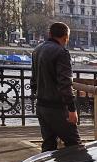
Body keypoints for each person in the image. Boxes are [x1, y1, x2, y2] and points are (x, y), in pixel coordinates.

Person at [31, 22, 81, 152]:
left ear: (50, 34)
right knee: (75, 146)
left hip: (41, 105)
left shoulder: (37, 50)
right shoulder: (61, 52)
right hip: (57, 108)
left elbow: (33, 81)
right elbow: (65, 83)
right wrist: (72, 109)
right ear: (66, 37)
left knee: (48, 145)